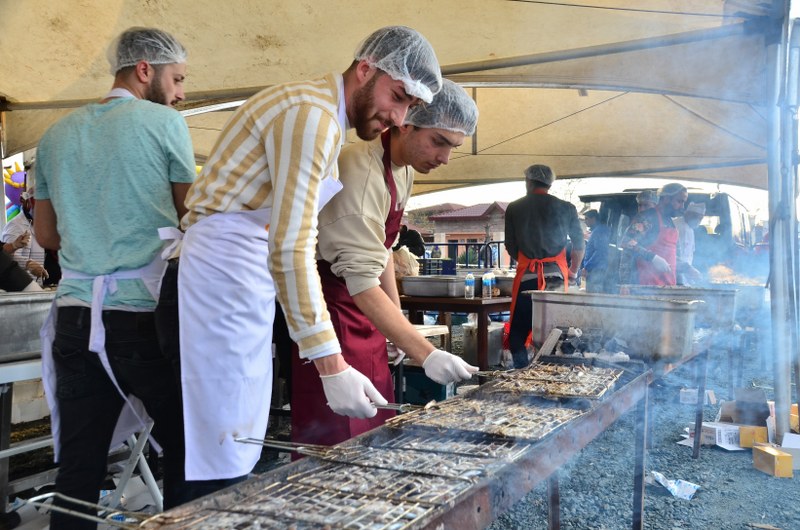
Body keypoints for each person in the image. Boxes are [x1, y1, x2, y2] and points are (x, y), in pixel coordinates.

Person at [177, 26, 442, 491]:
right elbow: (292, 244)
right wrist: (330, 364)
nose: (398, 118)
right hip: (222, 275)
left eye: (409, 109)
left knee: (237, 432)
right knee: (221, 442)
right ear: (365, 69)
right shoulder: (313, 117)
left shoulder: (323, 117)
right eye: (397, 96)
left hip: (241, 274)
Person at [33, 27, 196, 527]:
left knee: (79, 467)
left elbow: (48, 235)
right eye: (177, 78)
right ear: (144, 69)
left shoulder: (55, 134)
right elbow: (192, 217)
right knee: (188, 450)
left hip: (77, 316)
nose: (181, 92)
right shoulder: (164, 124)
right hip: (144, 315)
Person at [292, 79, 479, 446]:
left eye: (453, 147)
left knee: (377, 421)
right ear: (405, 122)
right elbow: (360, 279)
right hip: (333, 310)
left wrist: (396, 325)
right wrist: (423, 353)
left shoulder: (403, 167)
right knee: (337, 429)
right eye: (438, 141)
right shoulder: (359, 174)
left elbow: (385, 254)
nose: (444, 158)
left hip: (369, 310)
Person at [504, 164, 585, 369]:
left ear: (528, 182)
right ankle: (553, 373)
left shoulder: (514, 208)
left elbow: (511, 246)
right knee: (556, 334)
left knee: (517, 336)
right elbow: (579, 243)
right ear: (549, 183)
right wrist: (573, 271)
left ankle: (523, 372)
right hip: (556, 281)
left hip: (527, 280)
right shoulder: (567, 207)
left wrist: (528, 261)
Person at [618, 183, 688, 287]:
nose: (682, 206)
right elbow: (626, 242)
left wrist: (687, 269)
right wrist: (652, 257)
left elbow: (673, 256)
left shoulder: (670, 222)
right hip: (645, 286)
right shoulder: (648, 217)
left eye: (683, 202)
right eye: (679, 201)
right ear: (666, 198)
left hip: (668, 287)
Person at [2, 179, 50, 285]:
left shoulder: (37, 225)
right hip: (19, 289)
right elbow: (6, 257)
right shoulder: (15, 226)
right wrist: (28, 264)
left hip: (35, 287)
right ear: (26, 202)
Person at [675, 201, 706, 285]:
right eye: (697, 217)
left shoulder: (690, 228)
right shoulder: (679, 227)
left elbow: (689, 255)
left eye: (701, 218)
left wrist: (690, 276)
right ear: (688, 214)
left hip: (684, 276)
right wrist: (688, 270)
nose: (699, 221)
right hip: (677, 276)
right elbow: (676, 256)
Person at [580, 209, 610, 293]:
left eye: (586, 219)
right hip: (595, 269)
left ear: (593, 219)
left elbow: (599, 252)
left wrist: (587, 267)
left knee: (594, 295)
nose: (585, 221)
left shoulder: (599, 231)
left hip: (596, 270)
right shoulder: (596, 231)